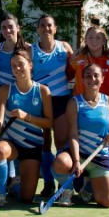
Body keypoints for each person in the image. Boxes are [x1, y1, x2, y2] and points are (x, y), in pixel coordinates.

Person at [50, 63, 109, 207]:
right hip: (79, 154)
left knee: (107, 202)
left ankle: (87, 186)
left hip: (100, 155)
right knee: (60, 163)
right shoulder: (74, 102)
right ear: (83, 80)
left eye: (96, 76)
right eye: (88, 76)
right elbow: (73, 134)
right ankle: (67, 190)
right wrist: (76, 161)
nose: (92, 79)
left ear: (102, 79)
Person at [69, 24, 109, 201]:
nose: (94, 41)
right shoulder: (77, 60)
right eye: (90, 37)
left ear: (104, 40)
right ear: (85, 40)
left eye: (98, 37)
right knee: (80, 147)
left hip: (107, 113)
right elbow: (67, 75)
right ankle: (80, 183)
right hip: (83, 112)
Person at [0, 49, 53, 208]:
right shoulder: (5, 90)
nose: (17, 68)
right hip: (11, 143)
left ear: (30, 65)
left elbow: (49, 123)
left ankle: (15, 185)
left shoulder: (43, 91)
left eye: (21, 64)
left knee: (27, 198)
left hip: (32, 146)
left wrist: (26, 116)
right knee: (0, 150)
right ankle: (0, 194)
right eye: (13, 66)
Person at [31, 14, 74, 197]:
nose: (46, 28)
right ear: (38, 29)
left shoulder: (64, 47)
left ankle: (62, 184)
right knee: (44, 143)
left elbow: (75, 70)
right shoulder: (31, 50)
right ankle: (48, 182)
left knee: (61, 142)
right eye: (42, 25)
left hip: (61, 100)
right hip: (41, 101)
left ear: (55, 28)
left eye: (49, 25)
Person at [0, 13, 31, 189]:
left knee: (19, 132)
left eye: (11, 27)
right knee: (4, 133)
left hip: (20, 94)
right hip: (0, 92)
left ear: (18, 28)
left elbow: (31, 73)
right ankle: (9, 177)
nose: (7, 30)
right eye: (4, 28)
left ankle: (19, 178)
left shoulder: (28, 48)